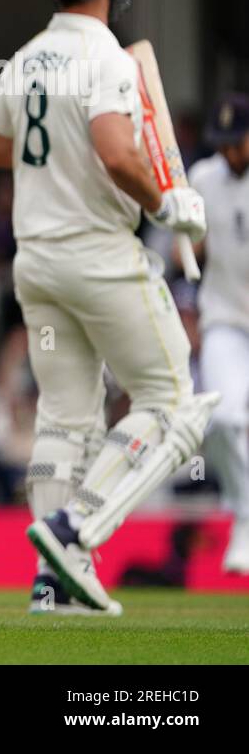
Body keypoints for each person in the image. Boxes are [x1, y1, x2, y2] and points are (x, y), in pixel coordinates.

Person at [0, 0, 218, 615]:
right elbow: (117, 151)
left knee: (65, 419)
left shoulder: (24, 60)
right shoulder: (109, 57)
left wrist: (56, 167)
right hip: (99, 255)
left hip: (38, 262)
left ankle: (54, 581)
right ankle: (74, 527)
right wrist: (166, 200)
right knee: (175, 405)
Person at [188, 93, 249, 574]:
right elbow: (187, 249)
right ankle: (244, 517)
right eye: (223, 143)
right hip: (224, 318)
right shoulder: (203, 178)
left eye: (238, 142)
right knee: (224, 420)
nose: (231, 152)